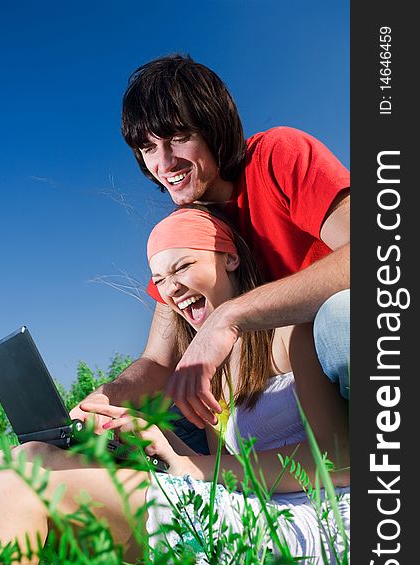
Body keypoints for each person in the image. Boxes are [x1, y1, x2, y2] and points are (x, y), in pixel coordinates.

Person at [0, 208, 349, 565]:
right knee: (13, 460)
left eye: (181, 268)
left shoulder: (290, 332)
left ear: (230, 258)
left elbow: (339, 461)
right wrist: (158, 445)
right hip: (247, 513)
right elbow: (217, 473)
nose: (170, 288)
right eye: (160, 279)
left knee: (31, 470)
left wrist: (189, 465)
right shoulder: (206, 368)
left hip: (313, 529)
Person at [72, 54, 350, 453]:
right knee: (142, 432)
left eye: (177, 138)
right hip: (276, 394)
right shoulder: (189, 230)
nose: (164, 163)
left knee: (342, 321)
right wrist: (107, 400)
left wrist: (230, 316)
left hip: (332, 365)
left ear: (213, 127)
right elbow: (158, 361)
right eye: (148, 148)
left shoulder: (277, 155)